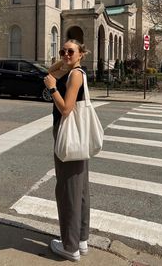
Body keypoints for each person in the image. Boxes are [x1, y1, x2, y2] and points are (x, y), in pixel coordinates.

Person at [44, 39, 90, 262]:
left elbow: (65, 109)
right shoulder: (71, 70)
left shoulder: (75, 75)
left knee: (67, 190)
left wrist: (52, 88)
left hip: (68, 135)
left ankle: (70, 247)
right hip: (78, 137)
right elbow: (48, 71)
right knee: (80, 189)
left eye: (70, 51)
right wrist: (61, 62)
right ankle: (80, 239)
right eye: (63, 51)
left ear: (81, 53)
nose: (65, 54)